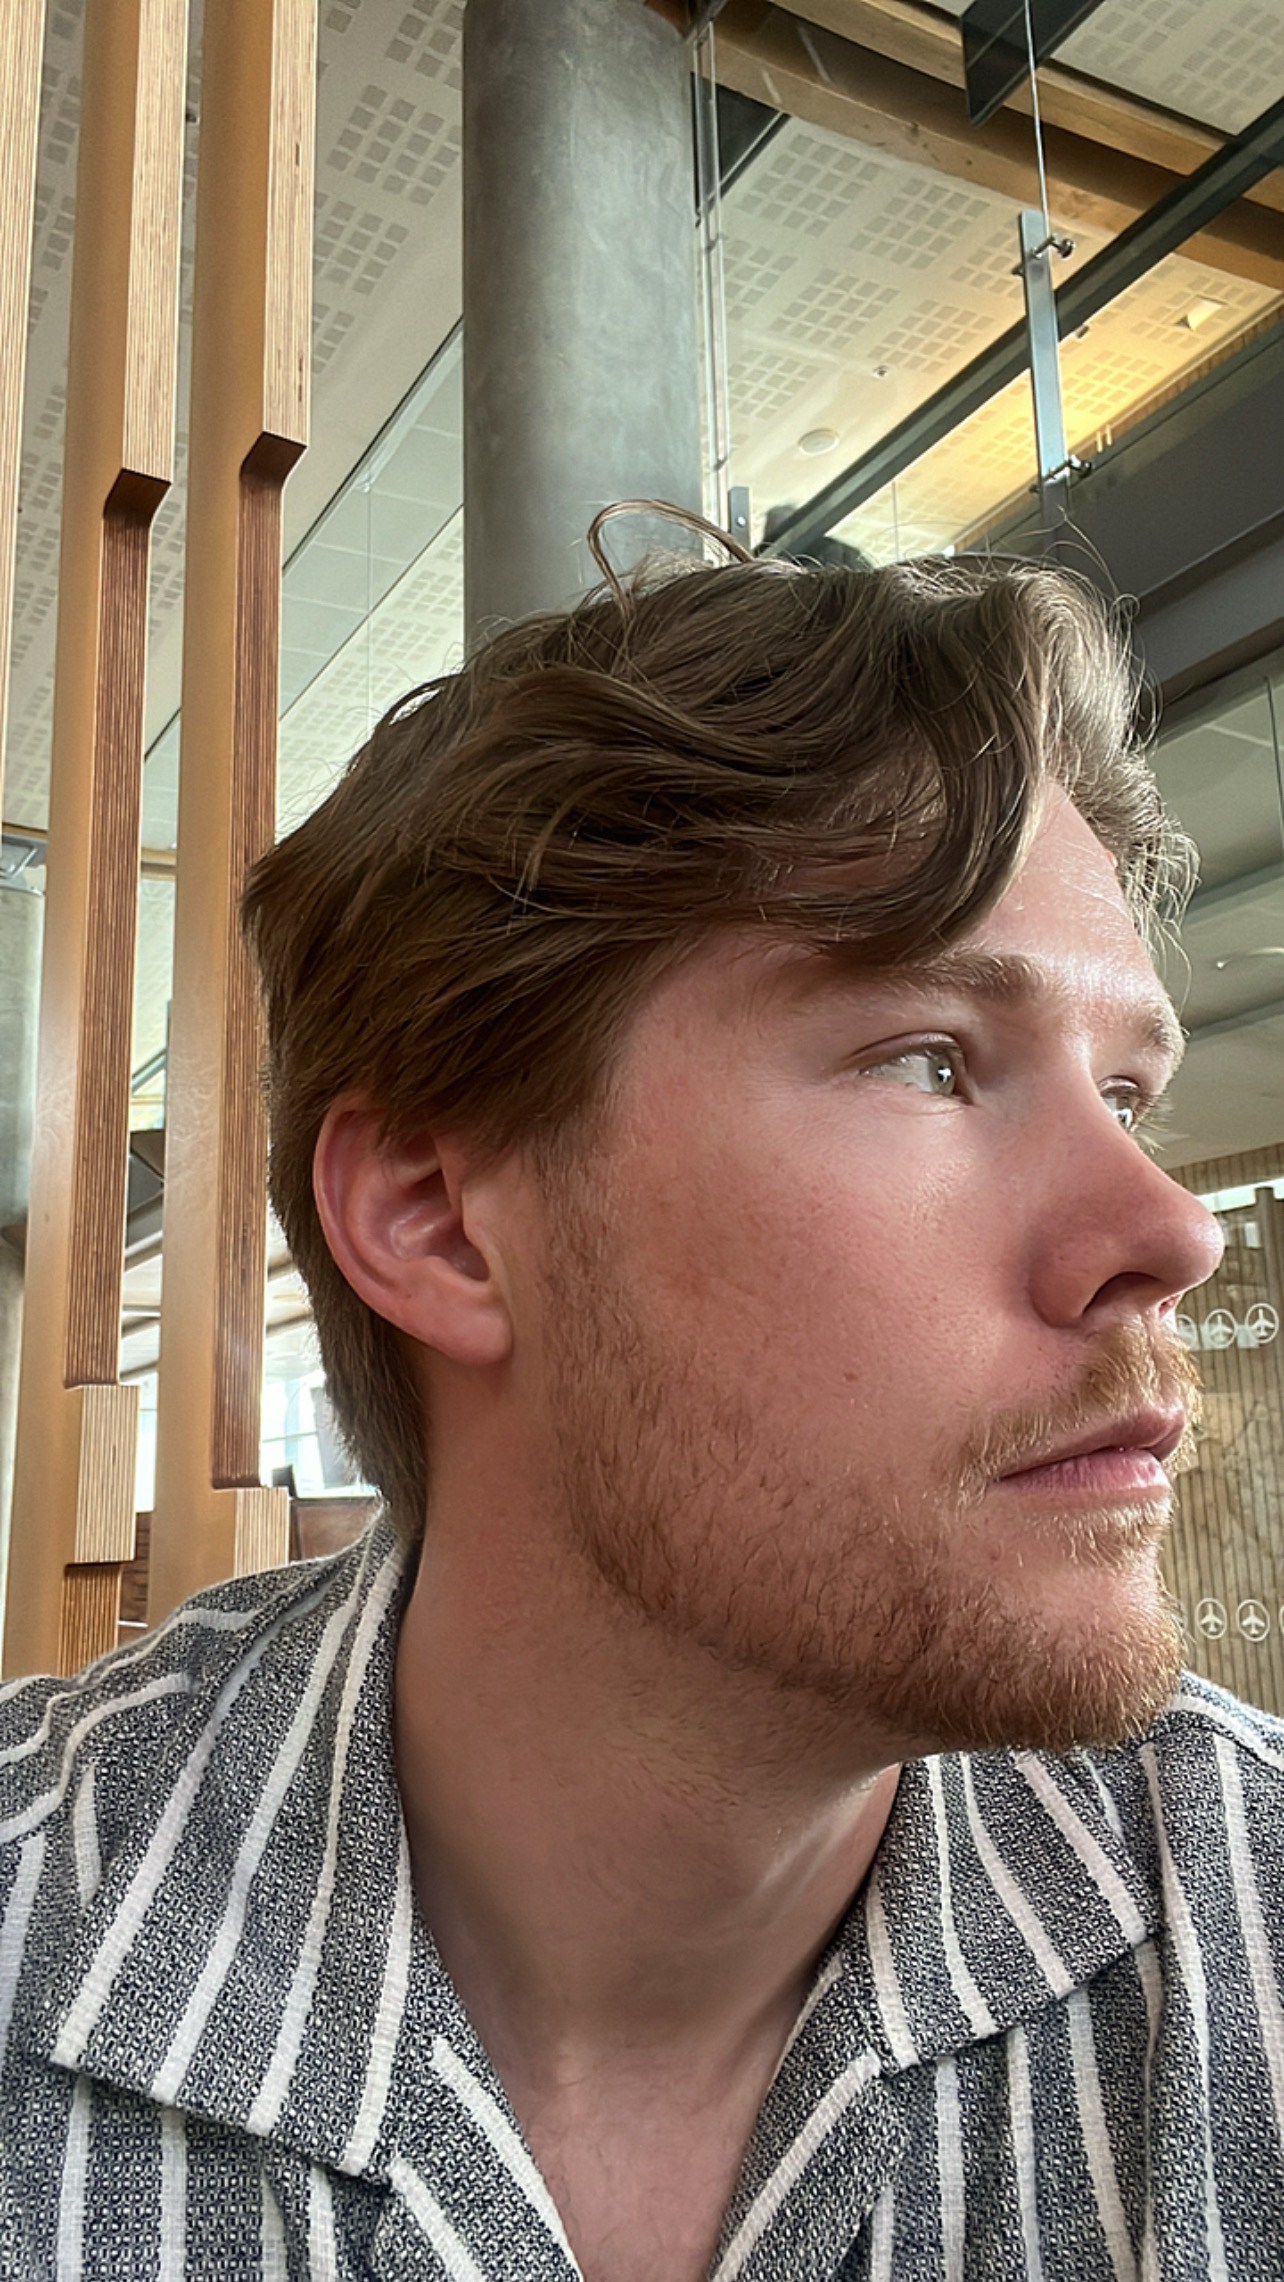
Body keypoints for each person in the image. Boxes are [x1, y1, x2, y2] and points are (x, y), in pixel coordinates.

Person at [2, 527, 1280, 2282]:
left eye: (1128, 1093)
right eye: (930, 1059)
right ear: (439, 1220)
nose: (1171, 1231)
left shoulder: (1246, 1920)